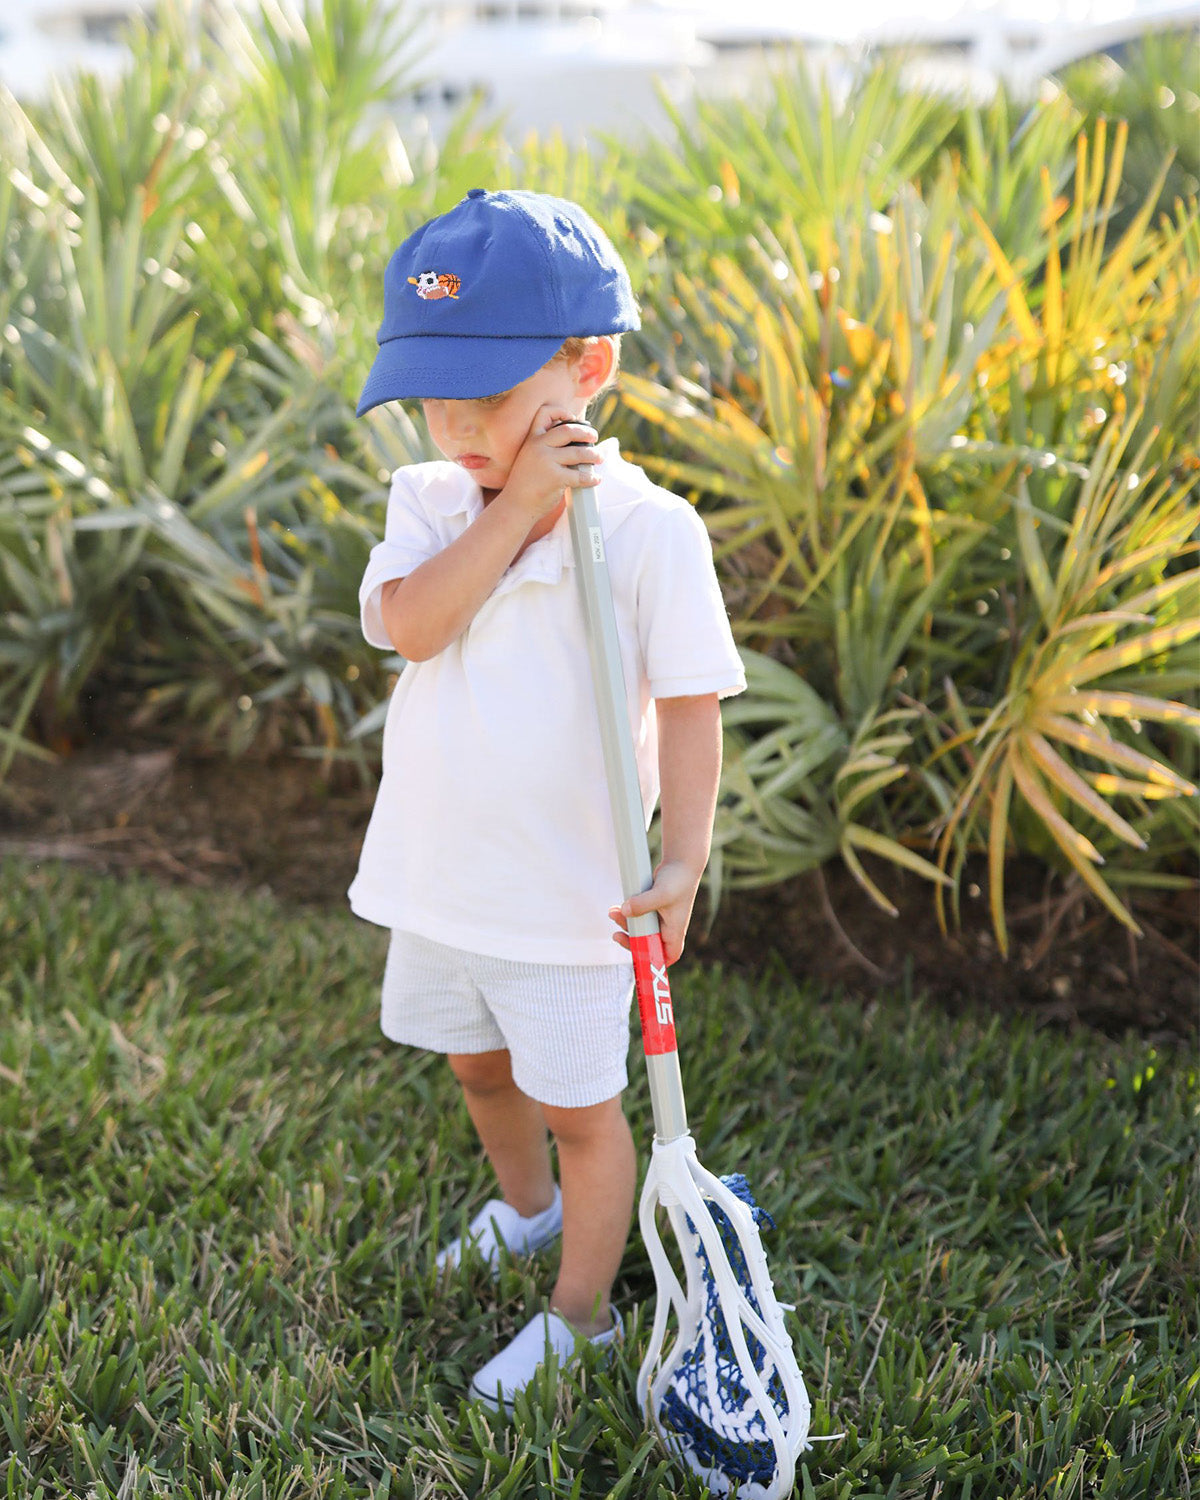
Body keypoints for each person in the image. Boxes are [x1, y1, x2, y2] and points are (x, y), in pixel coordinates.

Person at [350, 188, 745, 1411]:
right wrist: (515, 507)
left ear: (588, 366)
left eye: (493, 396)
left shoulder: (647, 531)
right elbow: (414, 628)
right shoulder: (433, 502)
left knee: (584, 1110)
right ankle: (526, 1213)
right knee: (476, 1069)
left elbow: (689, 704)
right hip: (441, 877)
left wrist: (680, 863)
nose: (459, 425)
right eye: (434, 396)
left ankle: (578, 1317)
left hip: (571, 900)